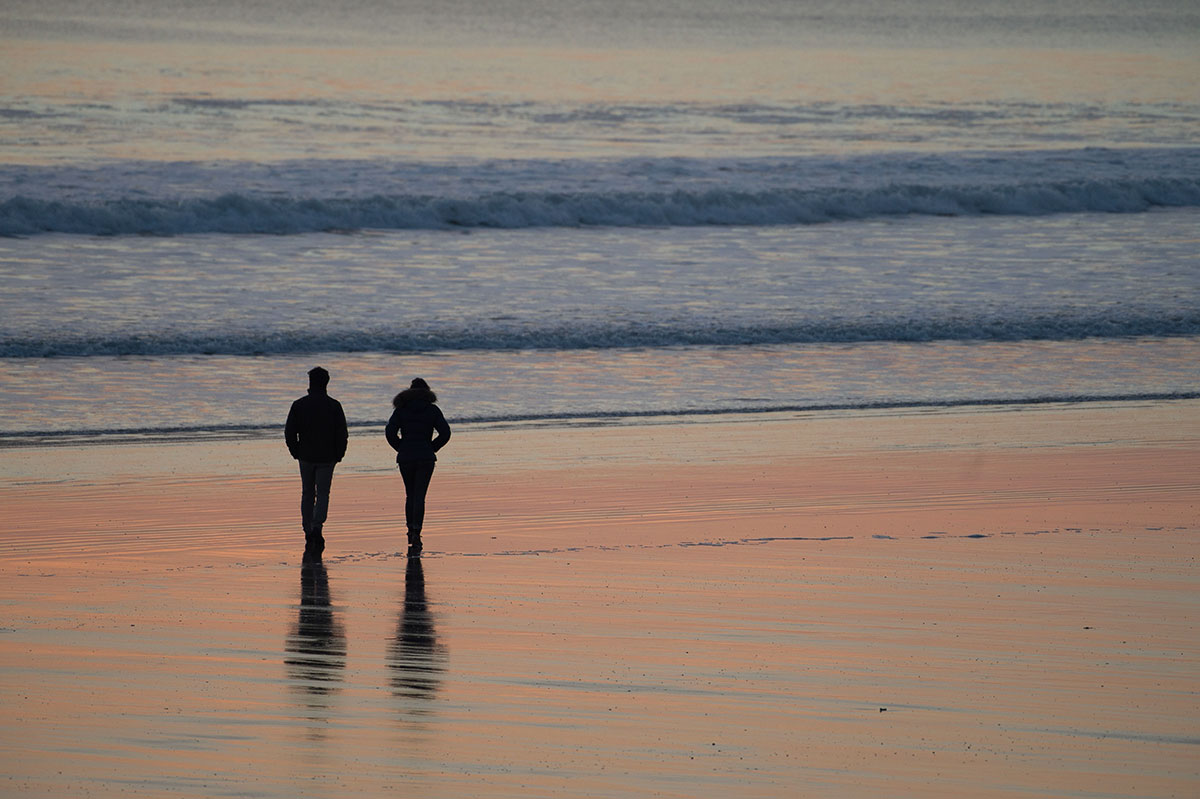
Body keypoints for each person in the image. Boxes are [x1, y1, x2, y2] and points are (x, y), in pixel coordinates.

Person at [285, 367, 348, 561]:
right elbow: (342, 433)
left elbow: (289, 432)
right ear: (326, 383)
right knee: (322, 493)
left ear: (310, 382)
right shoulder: (334, 405)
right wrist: (339, 454)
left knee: (307, 493)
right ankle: (317, 527)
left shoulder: (299, 405)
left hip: (306, 455)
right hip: (327, 456)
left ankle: (308, 529)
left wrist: (296, 452)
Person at [385, 378, 451, 556]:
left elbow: (390, 432)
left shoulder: (401, 410)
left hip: (406, 457)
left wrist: (401, 447)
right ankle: (417, 531)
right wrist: (432, 447)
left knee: (410, 494)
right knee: (419, 496)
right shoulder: (432, 409)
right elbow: (445, 433)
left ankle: (410, 531)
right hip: (425, 457)